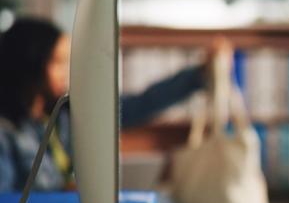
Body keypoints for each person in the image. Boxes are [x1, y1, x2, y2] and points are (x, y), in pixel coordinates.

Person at [0, 16, 223, 193]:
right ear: (30, 65)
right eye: (58, 63)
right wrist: (61, 198)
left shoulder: (62, 115)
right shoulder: (6, 132)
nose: (66, 73)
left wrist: (199, 75)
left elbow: (139, 105)